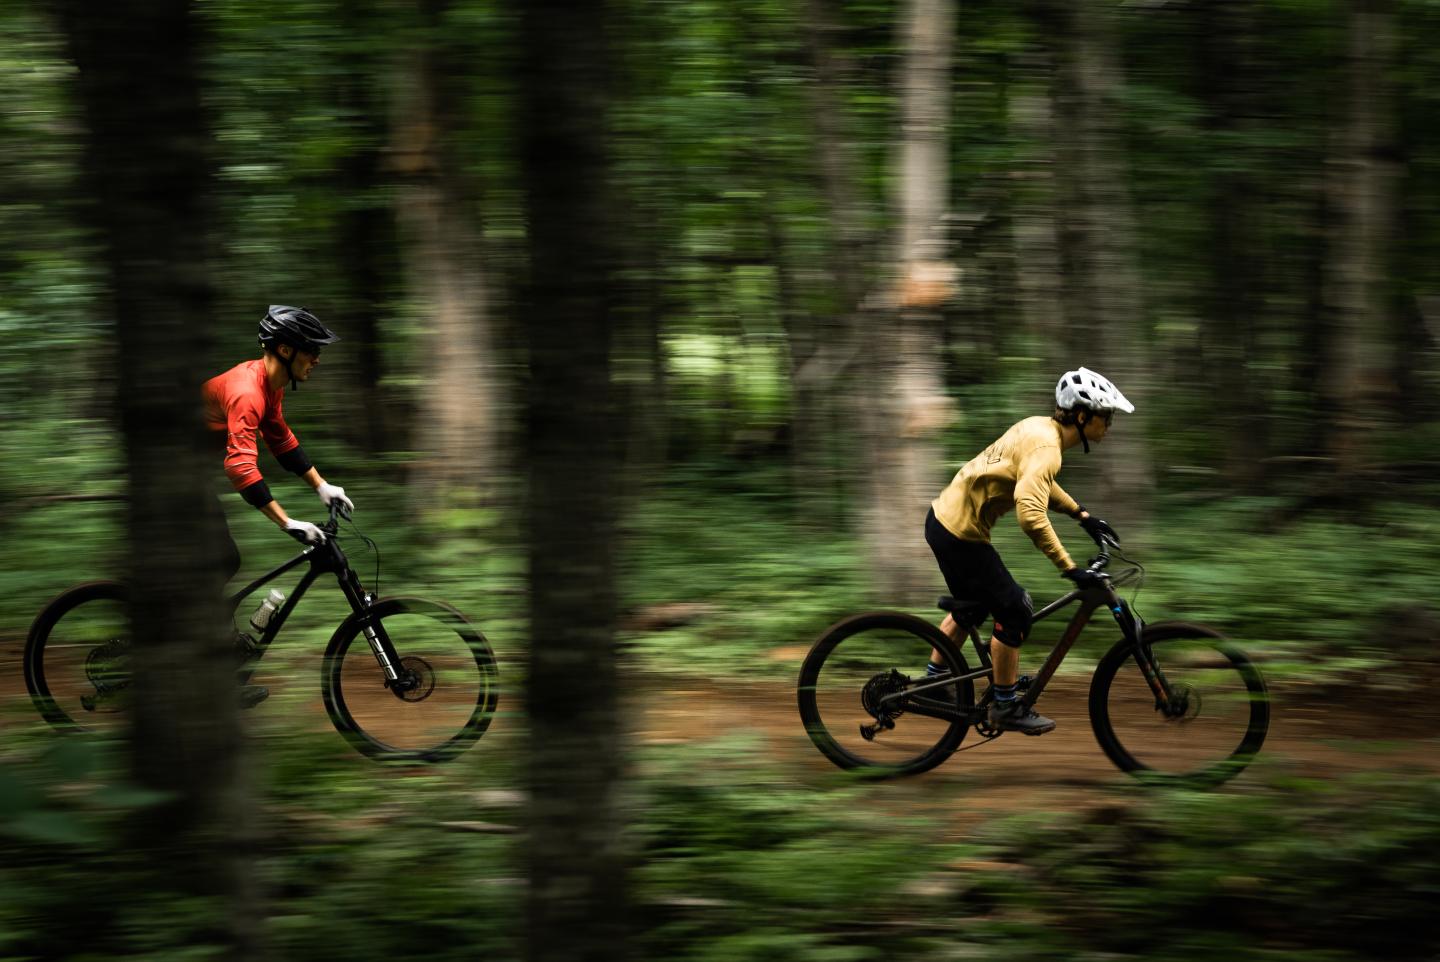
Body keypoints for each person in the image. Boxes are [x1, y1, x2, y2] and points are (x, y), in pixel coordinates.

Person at [925, 367, 1133, 734]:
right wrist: (1070, 568)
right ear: (1082, 417)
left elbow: (1036, 482)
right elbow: (1031, 513)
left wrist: (1082, 515)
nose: (1109, 426)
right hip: (960, 533)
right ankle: (1005, 706)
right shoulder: (1047, 448)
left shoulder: (1039, 429)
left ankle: (936, 680)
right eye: (1106, 417)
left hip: (945, 521)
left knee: (972, 606)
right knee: (1014, 609)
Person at [201, 305, 355, 706]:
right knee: (221, 558)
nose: (316, 360)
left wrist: (322, 486)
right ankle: (209, 674)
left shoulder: (269, 386)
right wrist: (287, 522)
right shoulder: (247, 391)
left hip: (191, 467)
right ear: (285, 350)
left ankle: (210, 654)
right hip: (169, 469)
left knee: (222, 562)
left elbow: (281, 440)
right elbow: (240, 468)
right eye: (311, 351)